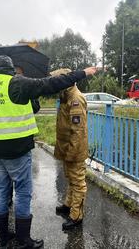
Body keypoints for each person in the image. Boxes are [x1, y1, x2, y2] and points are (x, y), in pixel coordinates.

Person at [0, 55, 98, 249]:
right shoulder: (17, 83)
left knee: (0, 192)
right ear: (11, 68)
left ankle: (3, 239)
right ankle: (23, 240)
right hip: (18, 151)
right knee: (22, 193)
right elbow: (51, 83)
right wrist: (82, 73)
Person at [52, 69, 88, 230]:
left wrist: (72, 153)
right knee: (70, 178)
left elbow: (78, 130)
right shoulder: (66, 97)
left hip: (74, 149)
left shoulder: (75, 99)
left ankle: (76, 216)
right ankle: (68, 205)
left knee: (78, 181)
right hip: (67, 147)